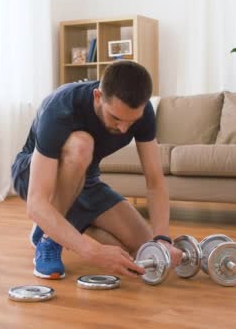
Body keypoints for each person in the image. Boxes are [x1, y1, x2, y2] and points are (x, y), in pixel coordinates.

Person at [11, 61, 183, 279]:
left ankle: (60, 224)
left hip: (86, 181)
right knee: (81, 145)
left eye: (132, 121)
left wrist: (162, 239)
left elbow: (155, 182)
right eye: (116, 118)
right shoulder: (61, 107)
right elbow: (36, 204)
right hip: (34, 175)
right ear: (98, 96)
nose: (123, 129)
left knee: (144, 248)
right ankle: (49, 239)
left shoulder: (144, 112)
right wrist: (90, 251)